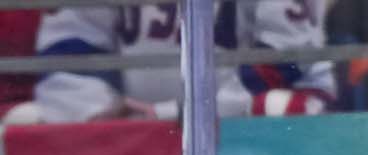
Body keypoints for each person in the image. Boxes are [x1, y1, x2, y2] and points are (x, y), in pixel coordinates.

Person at [30, 3, 336, 122]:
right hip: (145, 128)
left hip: (251, 121)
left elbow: (283, 62)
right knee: (30, 119)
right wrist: (95, 110)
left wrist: (174, 114)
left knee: (277, 108)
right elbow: (67, 49)